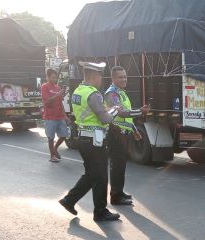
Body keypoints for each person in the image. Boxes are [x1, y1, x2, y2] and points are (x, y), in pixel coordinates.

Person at [59, 61, 121, 222]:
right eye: (100, 75)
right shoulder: (93, 94)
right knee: (100, 177)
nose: (101, 79)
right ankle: (100, 212)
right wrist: (115, 110)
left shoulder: (78, 91)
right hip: (95, 141)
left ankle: (69, 200)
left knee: (91, 174)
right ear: (94, 76)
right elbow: (105, 118)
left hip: (83, 139)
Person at [104, 66, 150, 205]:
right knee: (117, 165)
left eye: (125, 76)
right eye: (120, 77)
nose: (124, 79)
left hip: (123, 134)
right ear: (113, 78)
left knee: (121, 165)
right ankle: (115, 196)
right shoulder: (111, 94)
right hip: (115, 133)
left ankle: (119, 192)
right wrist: (140, 112)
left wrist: (135, 131)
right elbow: (121, 113)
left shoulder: (121, 93)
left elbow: (127, 118)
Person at [41, 68, 69, 162]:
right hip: (50, 116)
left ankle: (55, 148)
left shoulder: (57, 87)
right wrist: (58, 94)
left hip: (59, 116)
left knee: (64, 134)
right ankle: (52, 156)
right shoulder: (45, 87)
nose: (55, 79)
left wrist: (65, 115)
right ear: (47, 77)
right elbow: (47, 102)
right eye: (53, 77)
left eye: (55, 78)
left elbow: (60, 102)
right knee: (51, 137)